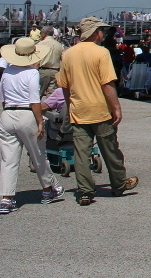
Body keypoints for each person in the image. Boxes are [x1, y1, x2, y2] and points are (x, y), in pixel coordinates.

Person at [55, 16, 138, 206]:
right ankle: (119, 183)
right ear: (94, 32)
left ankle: (84, 190)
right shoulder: (101, 53)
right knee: (110, 149)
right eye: (101, 30)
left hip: (79, 109)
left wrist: (70, 106)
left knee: (81, 153)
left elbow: (65, 86)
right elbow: (107, 83)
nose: (104, 33)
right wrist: (116, 107)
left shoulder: (68, 54)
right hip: (100, 109)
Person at [0, 37, 65, 214]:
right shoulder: (32, 74)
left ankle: (7, 198)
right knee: (38, 154)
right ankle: (49, 188)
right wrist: (40, 122)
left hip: (8, 113)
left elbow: (3, 99)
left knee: (8, 158)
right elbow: (34, 101)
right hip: (26, 113)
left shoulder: (7, 72)